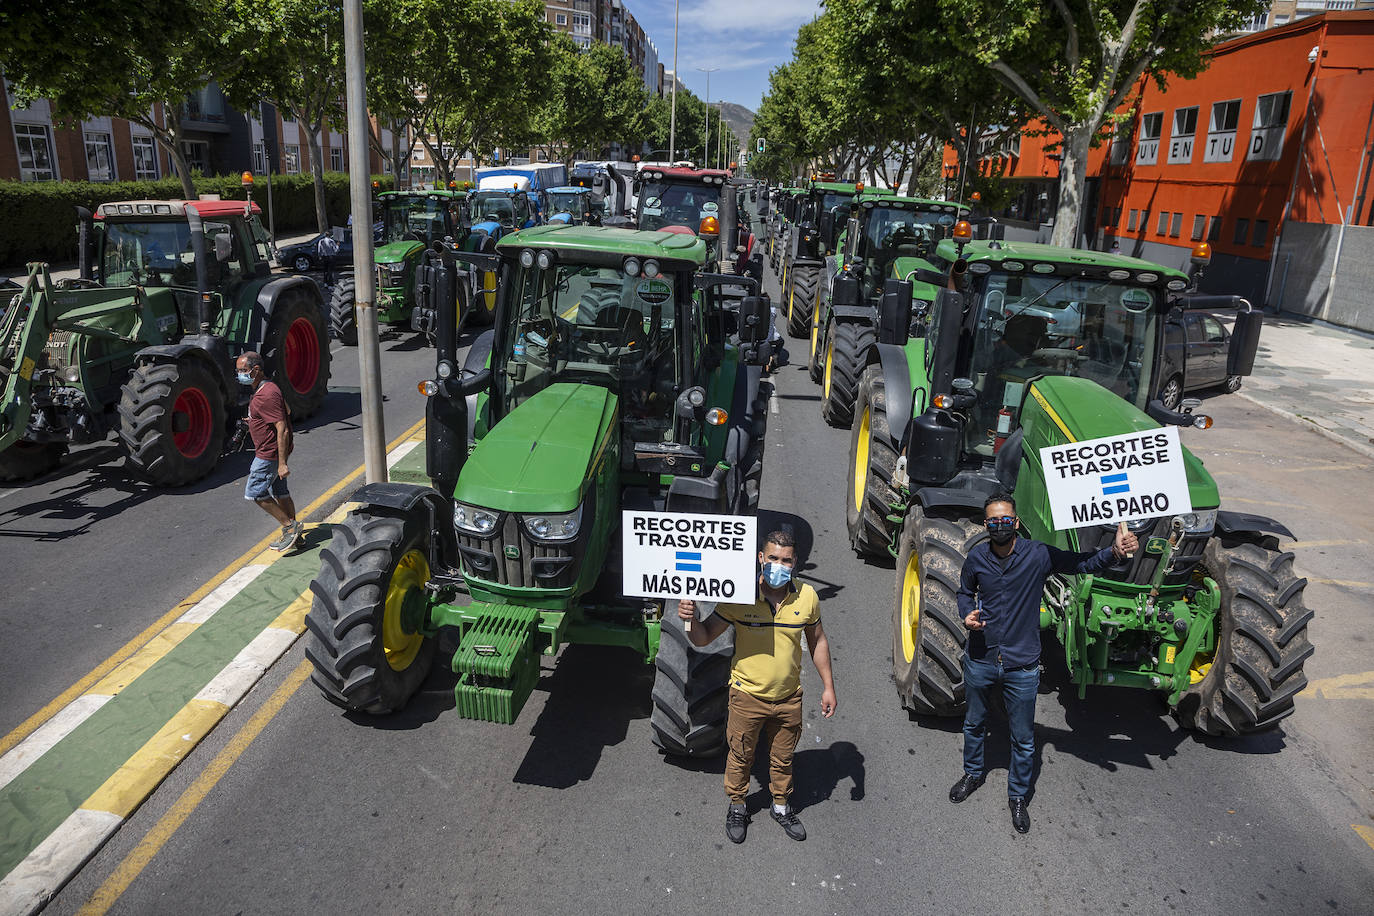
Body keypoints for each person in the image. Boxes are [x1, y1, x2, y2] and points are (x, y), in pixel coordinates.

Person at [950, 493, 1137, 834]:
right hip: (981, 658)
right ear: (986, 525)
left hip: (1022, 665)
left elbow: (1080, 564)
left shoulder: (1038, 555)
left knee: (1022, 738)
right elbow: (964, 592)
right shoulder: (976, 558)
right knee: (974, 724)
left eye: (1005, 520)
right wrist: (967, 614)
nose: (1000, 526)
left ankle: (1018, 797)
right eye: (993, 522)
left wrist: (1113, 552)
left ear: (1016, 522)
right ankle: (972, 773)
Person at [678, 530, 837, 845]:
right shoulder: (739, 596)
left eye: (786, 560)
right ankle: (738, 805)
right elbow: (703, 636)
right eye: (773, 558)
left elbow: (817, 641)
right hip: (747, 696)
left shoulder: (807, 597)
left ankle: (780, 806)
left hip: (789, 697)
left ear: (796, 563)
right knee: (740, 755)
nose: (779, 565)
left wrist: (828, 686)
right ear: (761, 558)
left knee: (783, 756)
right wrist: (690, 618)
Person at [236, 351, 304, 551]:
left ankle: (290, 527)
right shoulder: (267, 388)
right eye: (238, 371)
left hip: (269, 454)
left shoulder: (267, 394)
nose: (240, 374)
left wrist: (282, 463)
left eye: (243, 370)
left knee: (256, 493)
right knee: (280, 492)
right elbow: (287, 410)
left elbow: (281, 429)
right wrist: (255, 420)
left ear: (256, 370)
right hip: (273, 452)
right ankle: (295, 537)